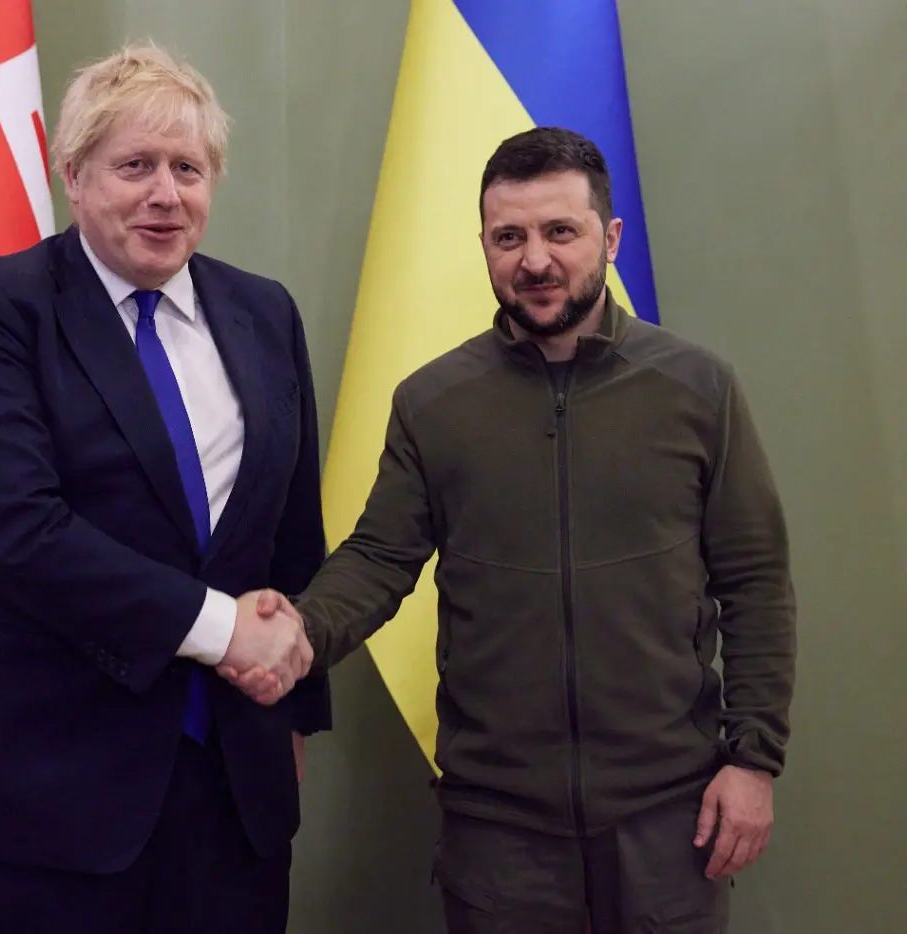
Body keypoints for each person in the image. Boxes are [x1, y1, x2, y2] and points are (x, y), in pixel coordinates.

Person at [232, 127, 797, 933]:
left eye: (560, 232)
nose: (535, 260)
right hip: (498, 831)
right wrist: (298, 632)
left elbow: (755, 584)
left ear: (610, 238)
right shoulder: (433, 403)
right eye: (509, 237)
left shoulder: (698, 390)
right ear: (485, 246)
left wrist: (754, 760)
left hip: (670, 819)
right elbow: (379, 558)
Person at [0, 42, 328, 934]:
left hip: (236, 800)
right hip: (51, 804)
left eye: (188, 168)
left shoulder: (266, 311)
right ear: (74, 175)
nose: (165, 194)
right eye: (135, 166)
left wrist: (293, 705)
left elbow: (293, 530)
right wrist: (225, 632)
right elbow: (17, 534)